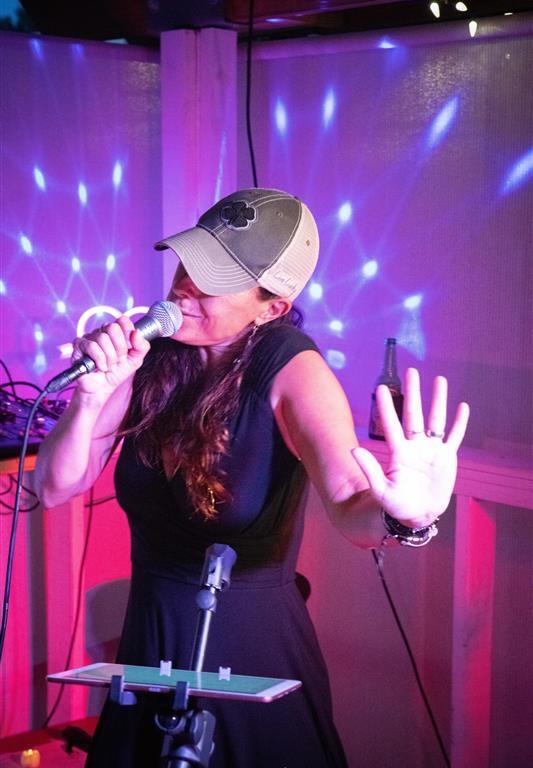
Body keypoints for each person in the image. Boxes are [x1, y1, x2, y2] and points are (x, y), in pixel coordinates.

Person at [34, 188, 470, 767]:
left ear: (271, 308)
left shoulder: (294, 369)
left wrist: (407, 516)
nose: (187, 286)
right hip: (149, 641)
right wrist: (90, 398)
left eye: (213, 280)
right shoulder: (152, 351)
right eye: (189, 264)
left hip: (246, 652)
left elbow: (351, 504)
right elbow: (55, 485)